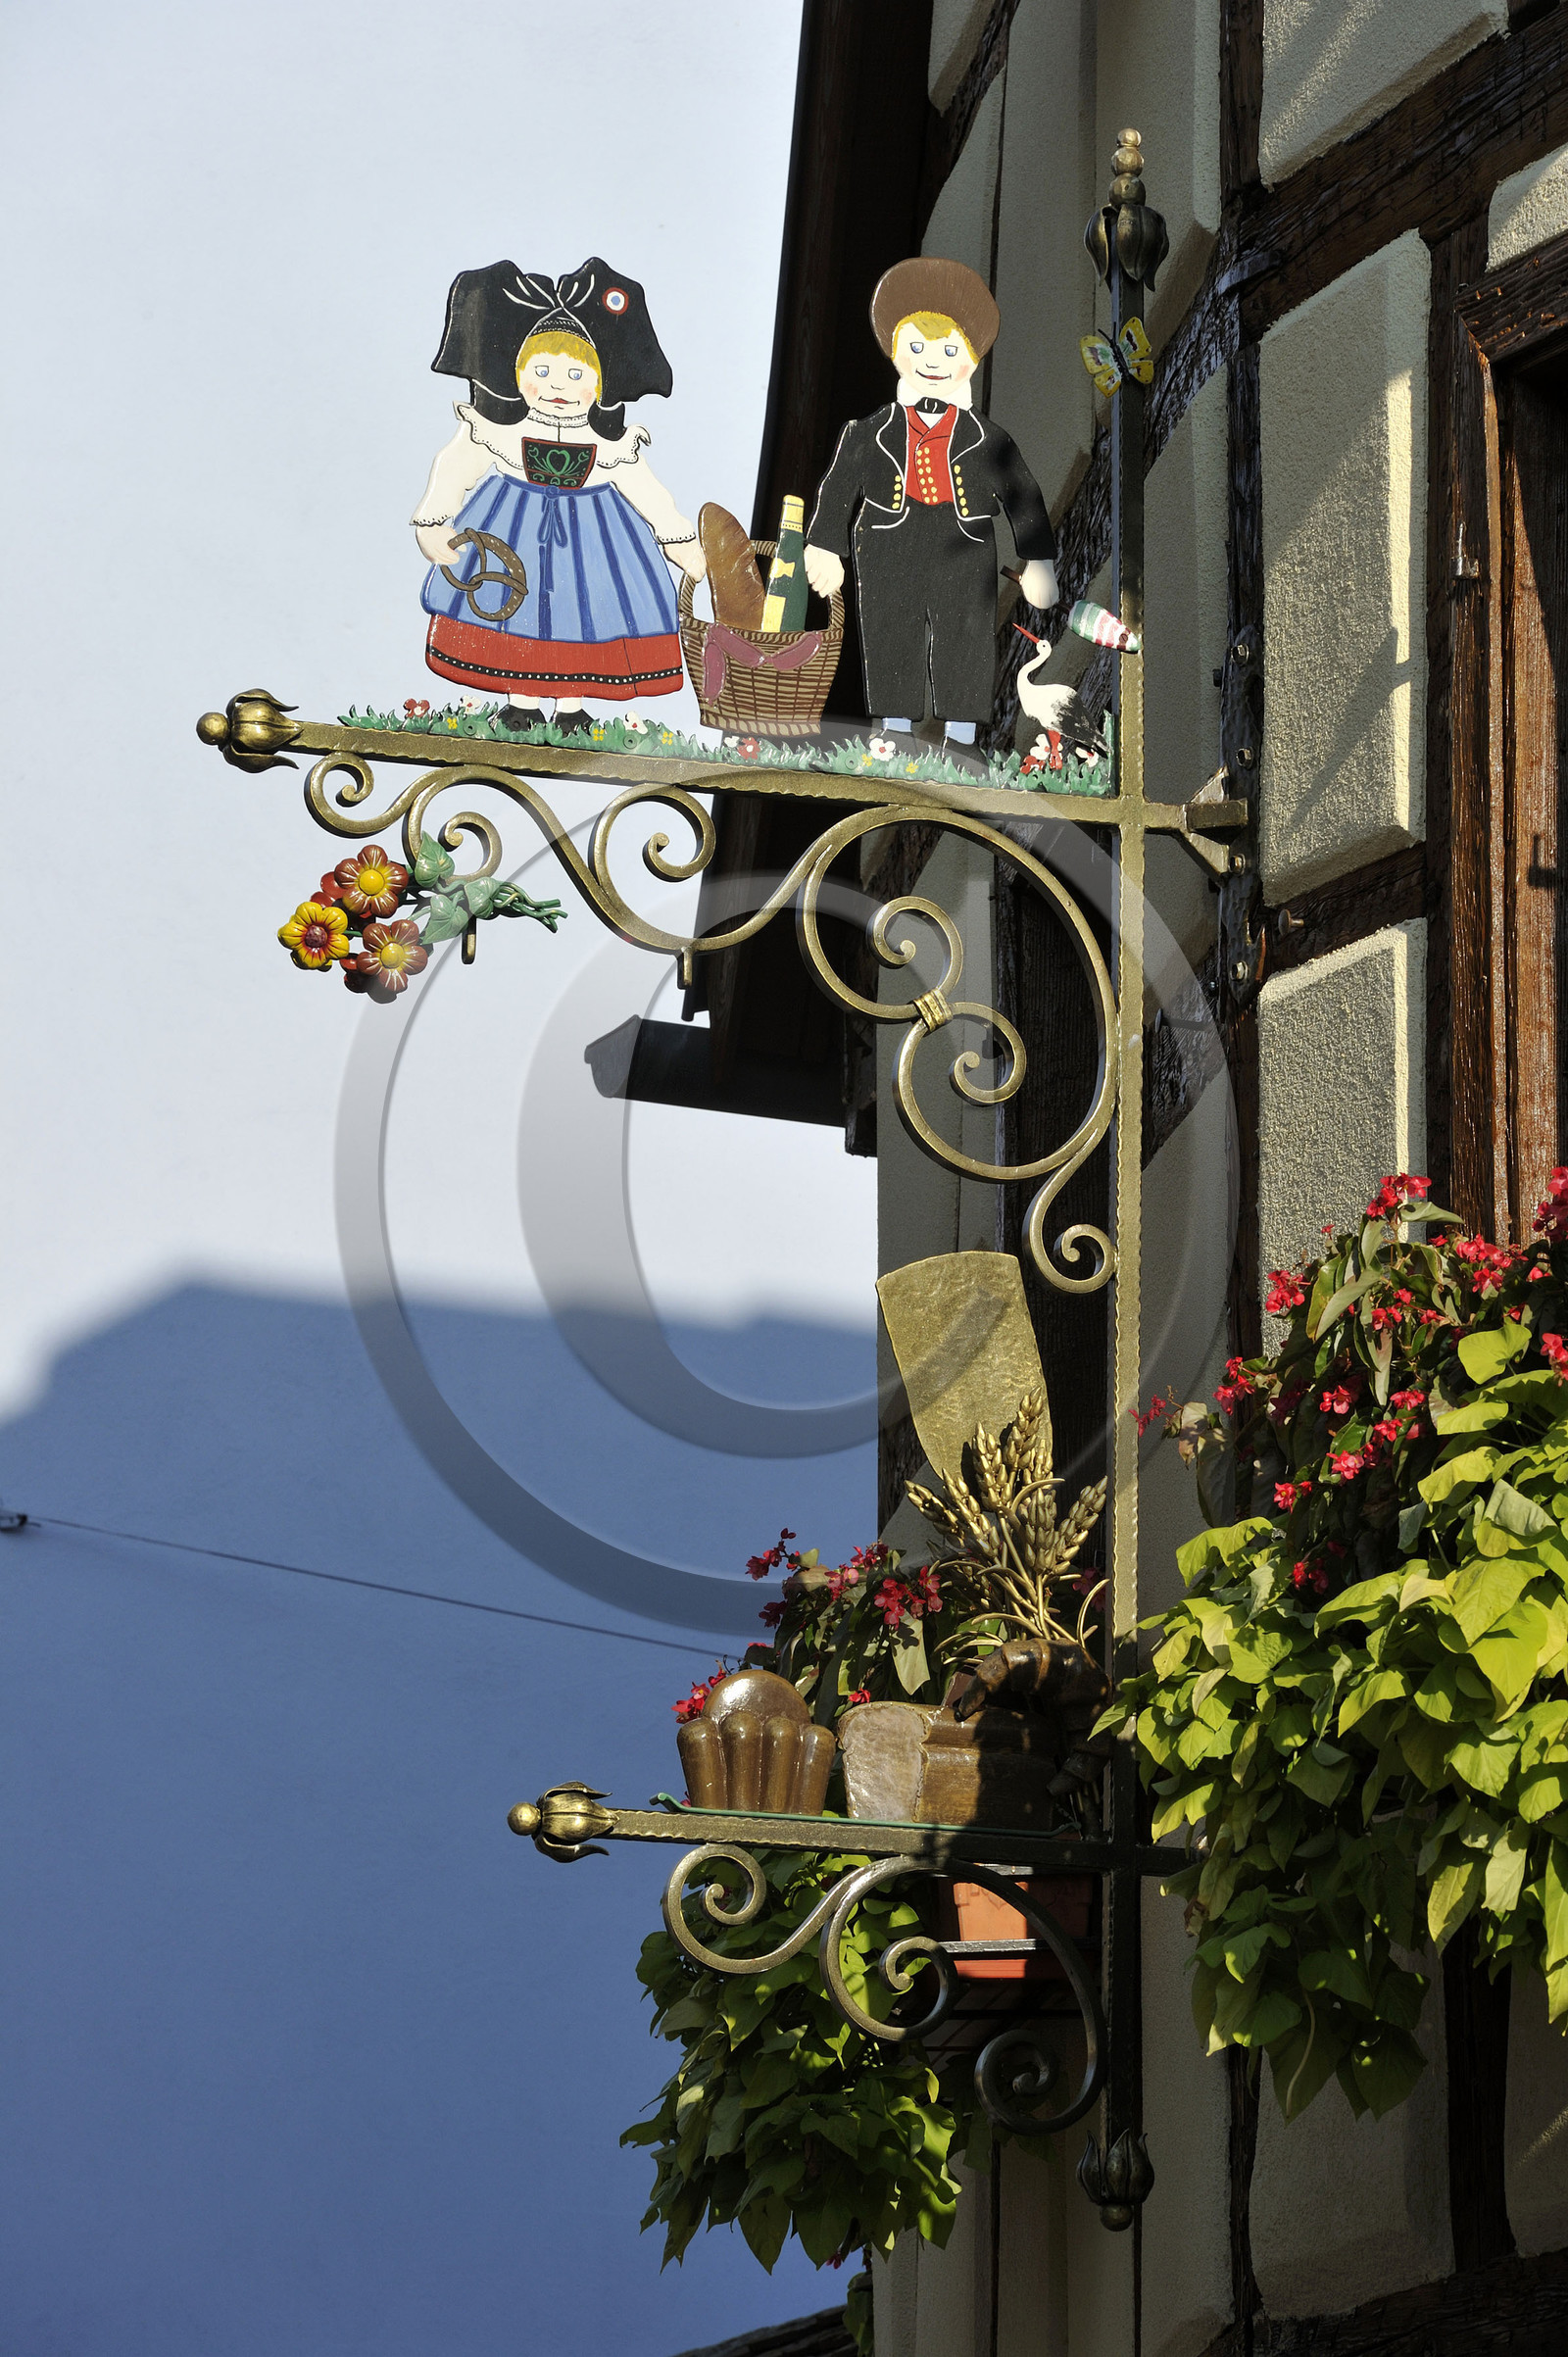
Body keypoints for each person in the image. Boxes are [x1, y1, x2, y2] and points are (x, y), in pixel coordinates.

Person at [411, 258, 706, 735]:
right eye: (543, 371)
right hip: (513, 528)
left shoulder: (610, 444)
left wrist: (680, 542)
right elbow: (458, 463)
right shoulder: (498, 430)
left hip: (595, 537)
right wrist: (432, 522)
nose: (558, 387)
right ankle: (522, 700)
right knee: (520, 609)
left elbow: (646, 490)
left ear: (598, 383)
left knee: (582, 611)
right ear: (518, 374)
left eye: (575, 376)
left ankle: (572, 705)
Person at [804, 257, 1057, 748]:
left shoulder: (988, 438)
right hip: (887, 540)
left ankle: (962, 743)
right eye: (917, 347)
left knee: (965, 639)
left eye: (948, 348)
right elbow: (838, 486)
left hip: (964, 542)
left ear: (972, 356)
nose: (932, 360)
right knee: (890, 633)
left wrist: (1038, 560)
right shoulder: (868, 431)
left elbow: (1021, 492)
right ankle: (893, 735)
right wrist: (825, 546)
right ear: (895, 353)